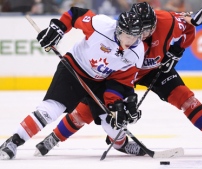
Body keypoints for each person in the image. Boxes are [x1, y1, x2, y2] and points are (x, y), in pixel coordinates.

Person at [34, 2, 202, 157]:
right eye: (136, 31)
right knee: (92, 108)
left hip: (154, 69)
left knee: (185, 97)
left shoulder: (168, 21)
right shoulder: (123, 32)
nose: (139, 36)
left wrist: (176, 52)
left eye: (146, 31)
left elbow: (189, 28)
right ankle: (55, 138)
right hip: (122, 73)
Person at [0, 7, 145, 160]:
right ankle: (13, 142)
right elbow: (76, 14)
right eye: (127, 35)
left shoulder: (137, 52)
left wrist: (115, 103)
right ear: (118, 30)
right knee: (49, 111)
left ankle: (121, 144)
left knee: (112, 123)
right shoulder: (101, 25)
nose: (131, 40)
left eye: (136, 36)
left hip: (101, 81)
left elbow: (121, 80)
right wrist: (58, 29)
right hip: (74, 68)